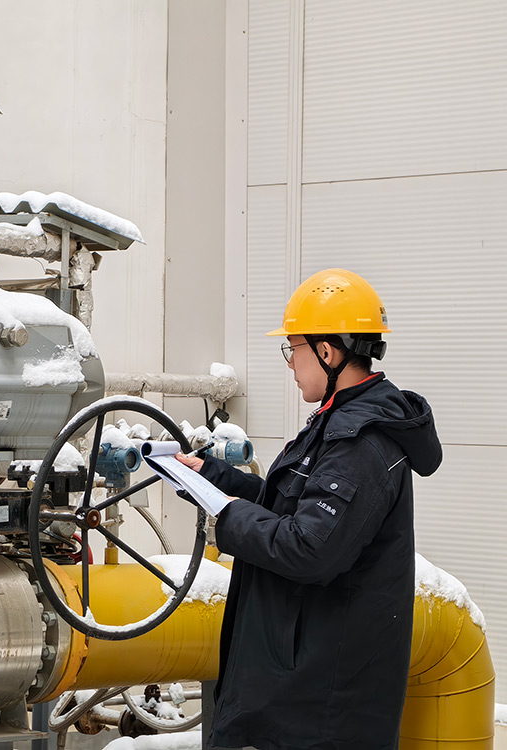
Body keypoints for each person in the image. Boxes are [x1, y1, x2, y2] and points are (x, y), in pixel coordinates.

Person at [177, 268, 442, 750]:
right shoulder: (338, 420)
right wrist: (214, 478)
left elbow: (309, 548)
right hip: (297, 689)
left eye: (293, 348)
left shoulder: (361, 441)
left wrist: (231, 515)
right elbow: (296, 507)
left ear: (327, 351)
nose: (290, 363)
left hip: (319, 711)